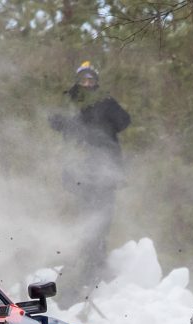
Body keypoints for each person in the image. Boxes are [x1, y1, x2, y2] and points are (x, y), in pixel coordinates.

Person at [49, 62, 131, 303]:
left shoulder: (105, 102)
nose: (87, 84)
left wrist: (104, 112)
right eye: (83, 80)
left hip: (104, 173)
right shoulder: (71, 102)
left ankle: (96, 265)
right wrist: (68, 121)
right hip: (80, 173)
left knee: (102, 220)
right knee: (87, 220)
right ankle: (84, 268)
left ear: (96, 81)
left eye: (90, 79)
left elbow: (124, 121)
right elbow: (55, 122)